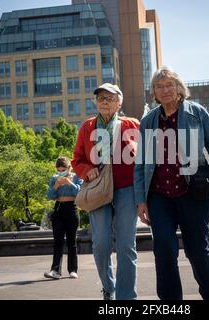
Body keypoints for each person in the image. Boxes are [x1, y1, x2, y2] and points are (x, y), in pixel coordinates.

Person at [134, 66, 209, 300]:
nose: (165, 90)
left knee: (197, 250)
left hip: (193, 193)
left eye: (169, 84)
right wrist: (140, 200)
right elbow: (140, 164)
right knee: (164, 249)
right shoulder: (149, 121)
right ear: (154, 93)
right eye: (159, 87)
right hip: (159, 195)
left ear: (179, 88)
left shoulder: (196, 113)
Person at [72, 83, 140, 300]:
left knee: (126, 245)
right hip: (99, 189)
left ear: (119, 102)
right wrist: (86, 170)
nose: (104, 101)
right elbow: (77, 159)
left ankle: (126, 296)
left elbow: (144, 158)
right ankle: (109, 287)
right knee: (101, 244)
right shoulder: (87, 127)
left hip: (127, 189)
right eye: (100, 98)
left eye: (109, 98)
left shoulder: (133, 125)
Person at [45, 156, 83, 280]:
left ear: (68, 168)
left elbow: (79, 193)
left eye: (63, 170)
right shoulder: (54, 178)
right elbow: (50, 195)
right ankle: (55, 270)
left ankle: (73, 270)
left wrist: (69, 182)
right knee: (58, 241)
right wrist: (56, 185)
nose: (61, 172)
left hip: (72, 208)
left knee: (72, 241)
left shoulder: (77, 177)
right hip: (58, 209)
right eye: (59, 170)